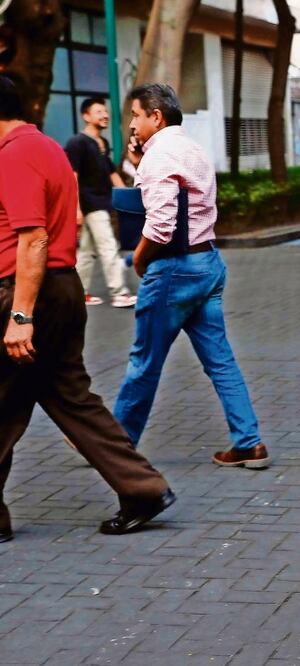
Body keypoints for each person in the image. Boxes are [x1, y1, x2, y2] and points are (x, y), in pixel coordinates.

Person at [0, 76, 175, 540]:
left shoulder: (14, 155)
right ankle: (143, 489)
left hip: (26, 293)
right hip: (60, 288)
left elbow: (33, 237)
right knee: (70, 400)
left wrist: (20, 316)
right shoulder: (47, 147)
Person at [113, 83, 270, 469]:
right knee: (221, 361)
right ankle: (249, 443)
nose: (132, 123)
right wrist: (138, 160)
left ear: (156, 116)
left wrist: (138, 259)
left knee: (144, 362)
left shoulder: (159, 157)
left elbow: (162, 224)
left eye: (135, 115)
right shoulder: (191, 149)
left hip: (173, 270)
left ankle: (113, 445)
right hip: (208, 264)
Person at [65, 97, 137, 308]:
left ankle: (79, 294)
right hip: (91, 205)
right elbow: (73, 177)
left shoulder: (102, 143)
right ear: (86, 116)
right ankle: (119, 292)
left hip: (99, 203)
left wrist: (129, 199)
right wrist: (76, 208)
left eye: (105, 111)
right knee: (108, 246)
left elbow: (111, 173)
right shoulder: (77, 143)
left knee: (86, 252)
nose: (105, 115)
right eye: (98, 112)